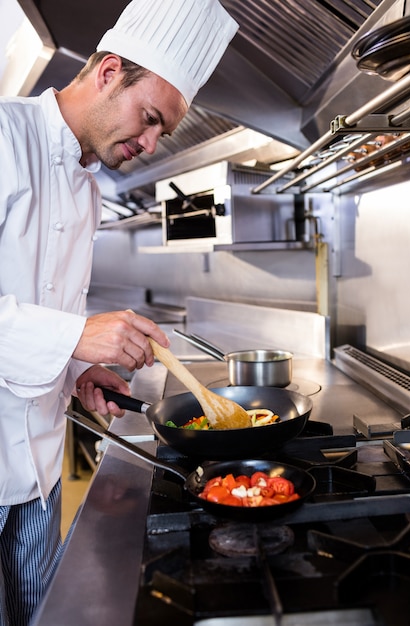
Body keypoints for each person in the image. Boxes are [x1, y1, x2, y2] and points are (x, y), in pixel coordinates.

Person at [0, 0, 238, 623]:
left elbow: (33, 314)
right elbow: (53, 326)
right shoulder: (2, 137)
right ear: (108, 72)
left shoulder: (88, 190)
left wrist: (75, 371)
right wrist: (77, 335)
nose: (150, 142)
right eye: (150, 118)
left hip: (45, 473)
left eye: (164, 132)